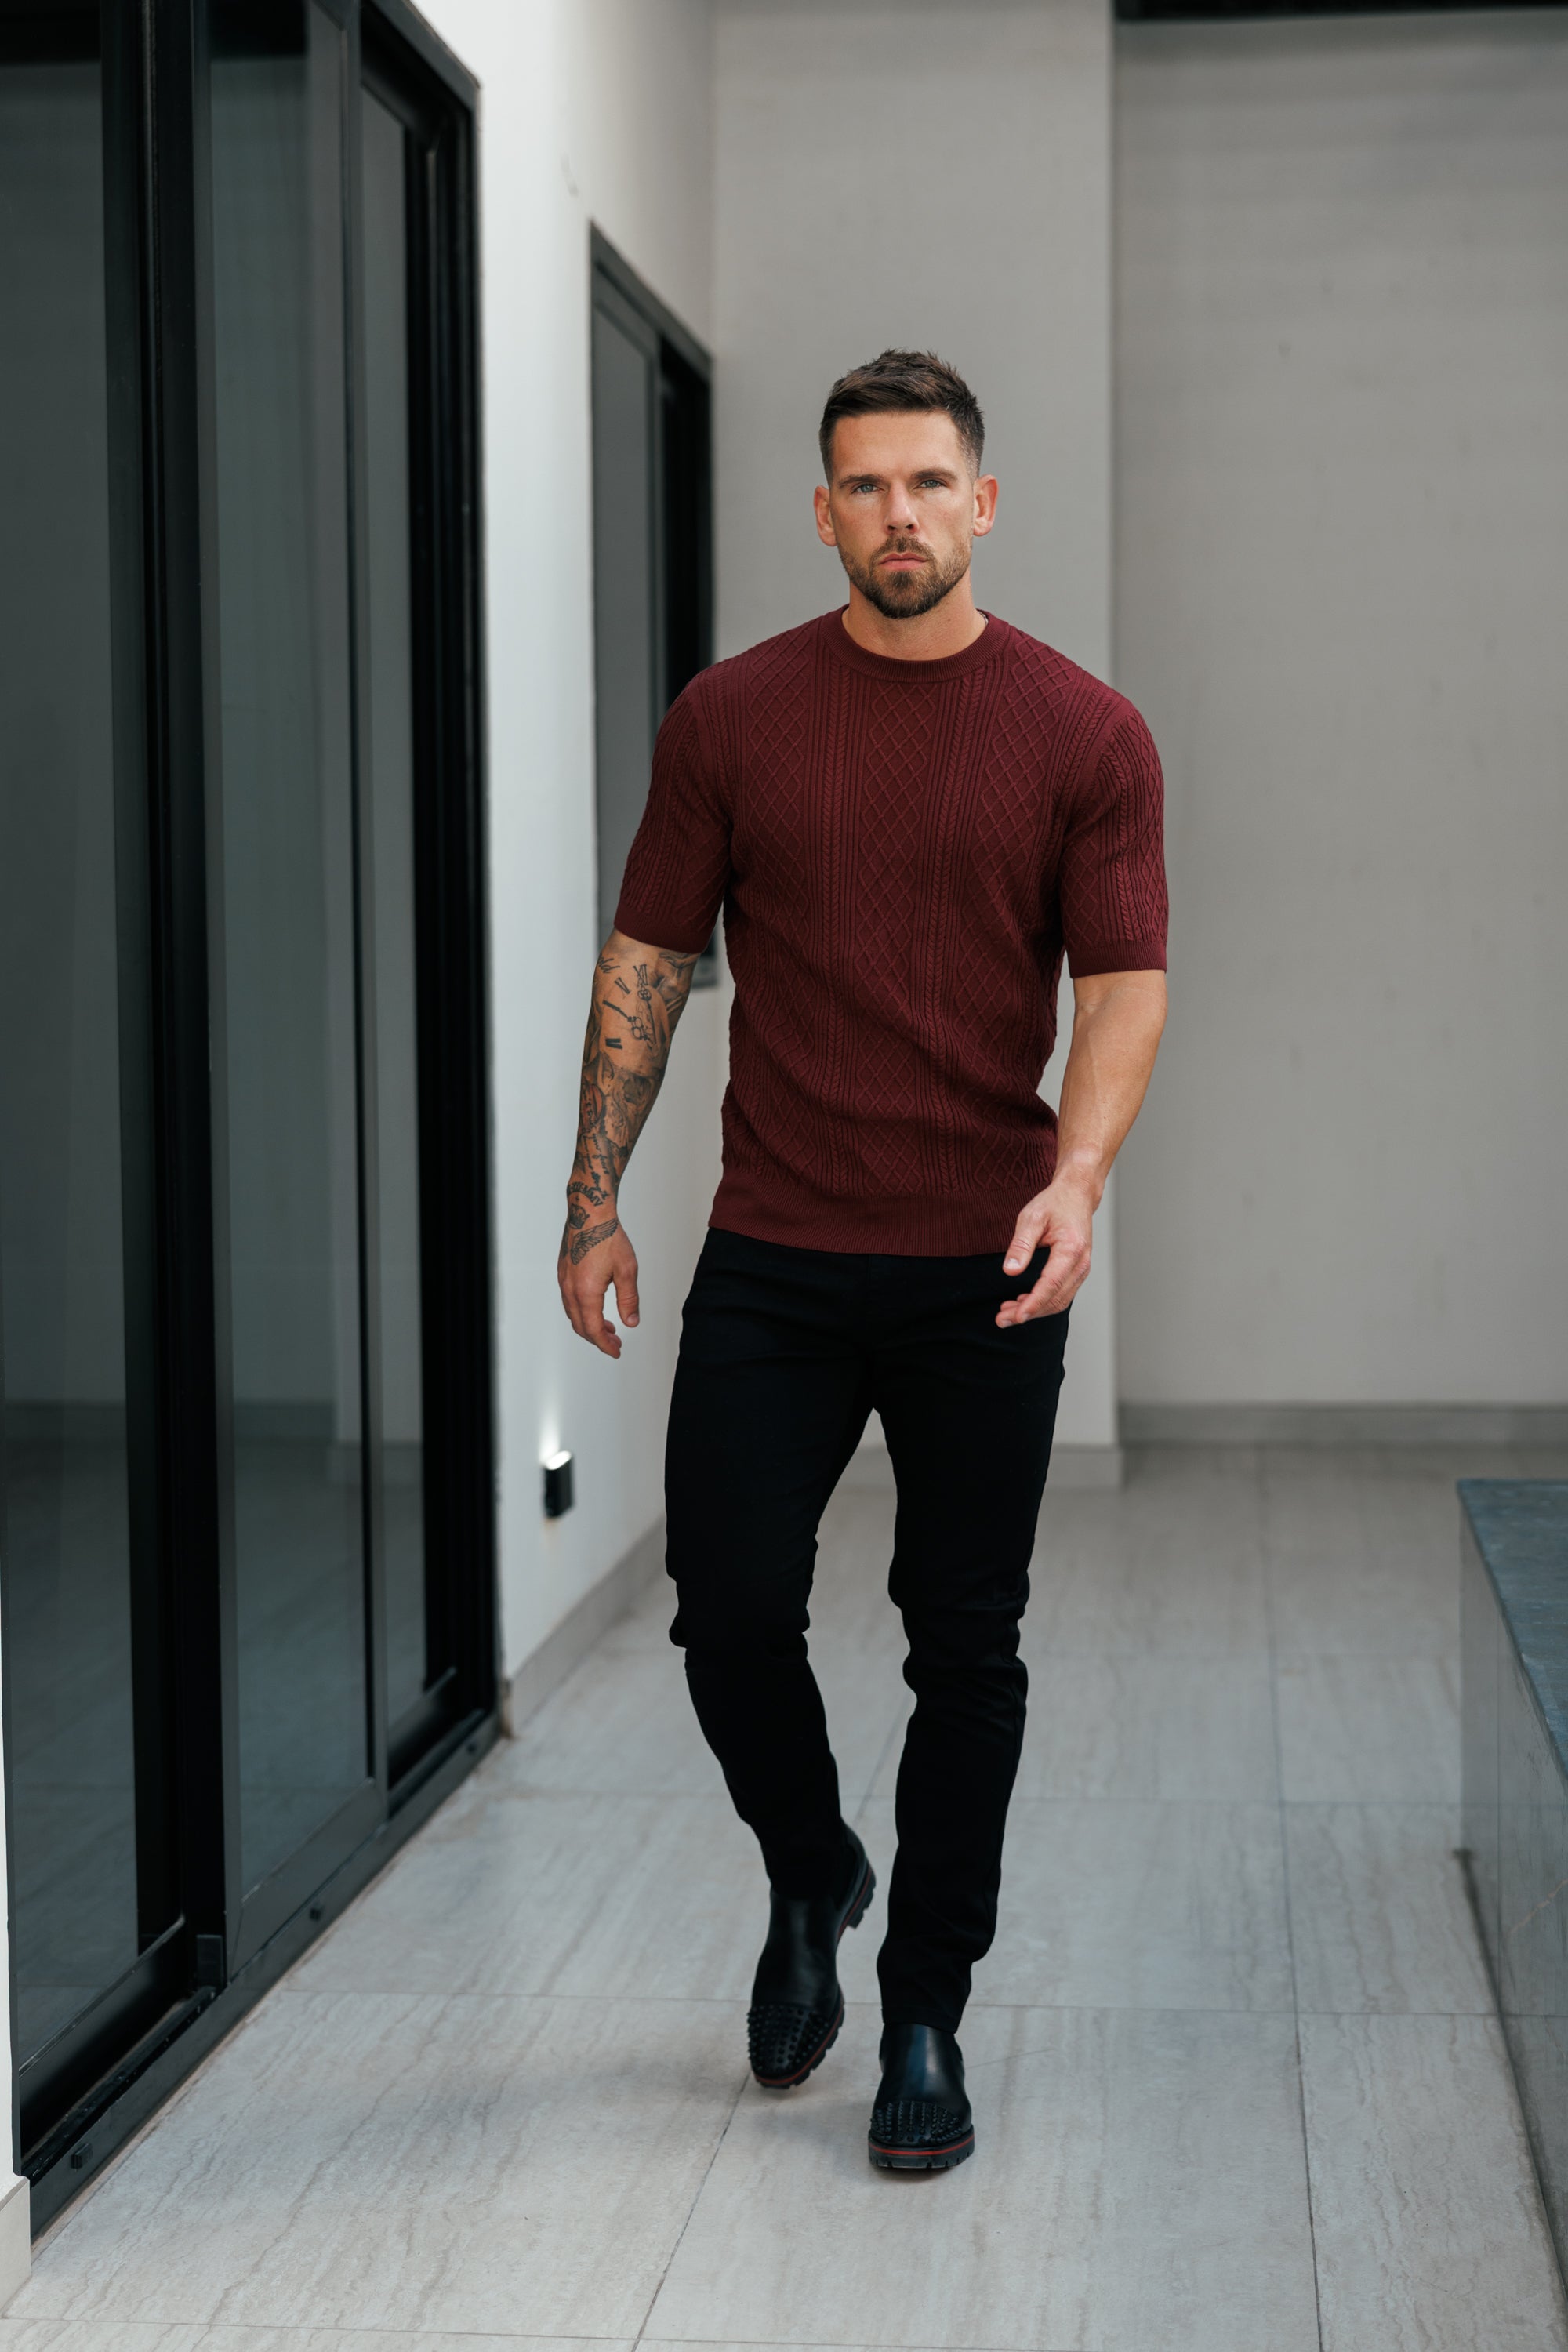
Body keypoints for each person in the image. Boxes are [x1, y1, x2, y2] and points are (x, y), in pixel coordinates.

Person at [557, 350, 1167, 2172]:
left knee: (962, 1647)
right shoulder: (731, 721)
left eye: (927, 483)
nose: (896, 514)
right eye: (863, 486)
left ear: (981, 504)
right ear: (818, 512)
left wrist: (1079, 1171)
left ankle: (921, 2009)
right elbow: (646, 968)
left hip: (983, 1260)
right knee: (731, 1609)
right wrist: (591, 1196)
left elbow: (1123, 982)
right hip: (777, 1248)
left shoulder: (1083, 731)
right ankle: (812, 1866)